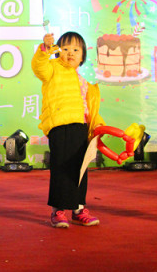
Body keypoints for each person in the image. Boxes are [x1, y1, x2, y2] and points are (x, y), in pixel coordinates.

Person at [32, 31, 105, 228]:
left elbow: (90, 109)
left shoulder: (84, 82)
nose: (70, 53)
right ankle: (58, 211)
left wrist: (98, 125)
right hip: (60, 125)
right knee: (61, 168)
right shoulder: (52, 69)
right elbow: (39, 66)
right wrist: (44, 50)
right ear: (58, 52)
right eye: (65, 49)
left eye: (76, 50)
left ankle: (79, 209)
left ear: (82, 57)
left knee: (80, 169)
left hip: (81, 128)